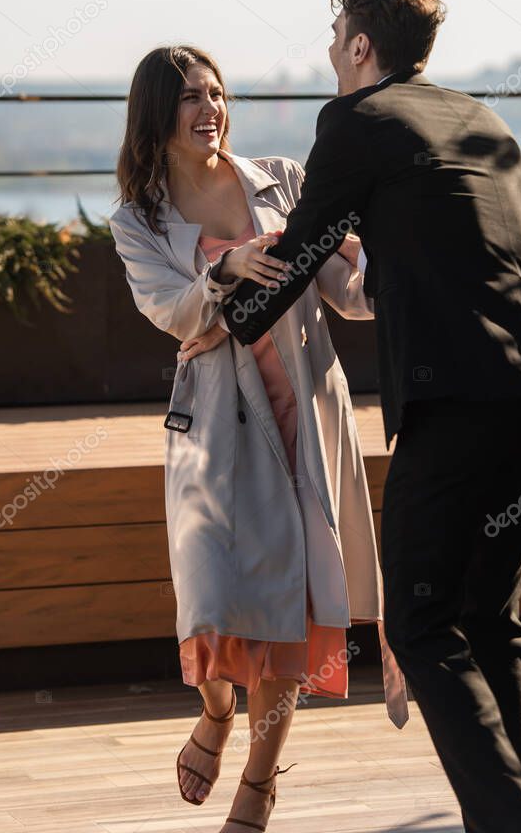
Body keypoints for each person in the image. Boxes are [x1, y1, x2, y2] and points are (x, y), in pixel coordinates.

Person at [220, 0, 521, 833]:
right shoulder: (480, 118)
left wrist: (230, 299)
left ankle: (512, 825)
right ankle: (504, 815)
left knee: (420, 626)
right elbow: (453, 248)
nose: (331, 58)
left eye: (335, 41)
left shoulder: (355, 118)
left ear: (358, 44)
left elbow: (297, 255)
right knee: (489, 620)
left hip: (453, 399)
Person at [109, 44, 408, 833]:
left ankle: (259, 783)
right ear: (155, 116)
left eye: (215, 93)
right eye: (189, 98)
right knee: (208, 608)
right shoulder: (138, 220)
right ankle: (213, 710)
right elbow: (171, 312)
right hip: (214, 429)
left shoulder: (283, 179)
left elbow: (347, 295)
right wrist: (225, 270)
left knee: (286, 616)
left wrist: (382, 249)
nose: (209, 108)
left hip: (303, 411)